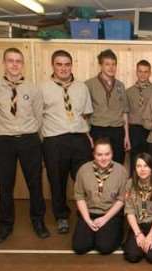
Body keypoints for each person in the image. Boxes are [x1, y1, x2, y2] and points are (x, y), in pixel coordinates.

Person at [0, 47, 49, 243]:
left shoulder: (33, 88)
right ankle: (5, 226)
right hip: (3, 140)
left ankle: (38, 221)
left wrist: (25, 130)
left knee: (35, 184)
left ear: (22, 64)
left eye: (18, 61)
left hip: (29, 140)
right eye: (10, 60)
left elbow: (39, 116)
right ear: (4, 63)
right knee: (5, 186)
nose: (14, 64)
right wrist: (8, 129)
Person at [41, 50, 93, 234]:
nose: (63, 68)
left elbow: (86, 115)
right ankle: (61, 216)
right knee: (57, 180)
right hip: (54, 140)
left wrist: (87, 136)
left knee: (84, 179)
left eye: (67, 64)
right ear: (53, 66)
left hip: (79, 138)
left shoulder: (81, 87)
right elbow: (37, 117)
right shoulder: (43, 88)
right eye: (59, 64)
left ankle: (85, 214)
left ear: (71, 65)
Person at [72, 138, 128, 255]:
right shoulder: (84, 170)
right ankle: (93, 233)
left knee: (104, 247)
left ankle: (113, 232)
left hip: (110, 214)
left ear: (112, 153)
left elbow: (121, 199)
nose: (103, 158)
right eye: (99, 154)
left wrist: (105, 218)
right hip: (89, 213)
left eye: (107, 154)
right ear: (94, 155)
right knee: (80, 247)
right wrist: (87, 220)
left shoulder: (121, 171)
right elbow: (79, 196)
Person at [86, 49, 130, 164]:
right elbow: (84, 114)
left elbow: (124, 112)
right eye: (107, 64)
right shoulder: (89, 85)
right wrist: (88, 135)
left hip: (117, 131)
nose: (111, 67)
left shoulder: (120, 86)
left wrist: (126, 136)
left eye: (114, 64)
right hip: (98, 130)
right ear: (100, 65)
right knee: (98, 165)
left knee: (118, 165)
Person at [123, 153, 152, 263]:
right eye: (139, 166)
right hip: (138, 224)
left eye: (146, 166)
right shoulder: (130, 183)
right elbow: (130, 211)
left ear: (151, 168)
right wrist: (138, 234)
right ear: (135, 168)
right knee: (132, 256)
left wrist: (151, 234)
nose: (142, 169)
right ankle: (137, 242)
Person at [126, 60, 152, 173]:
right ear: (136, 72)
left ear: (150, 73)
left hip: (150, 130)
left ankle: (149, 188)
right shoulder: (129, 91)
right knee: (134, 161)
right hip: (134, 130)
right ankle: (133, 187)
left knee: (150, 161)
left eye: (146, 72)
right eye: (140, 71)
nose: (143, 74)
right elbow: (125, 113)